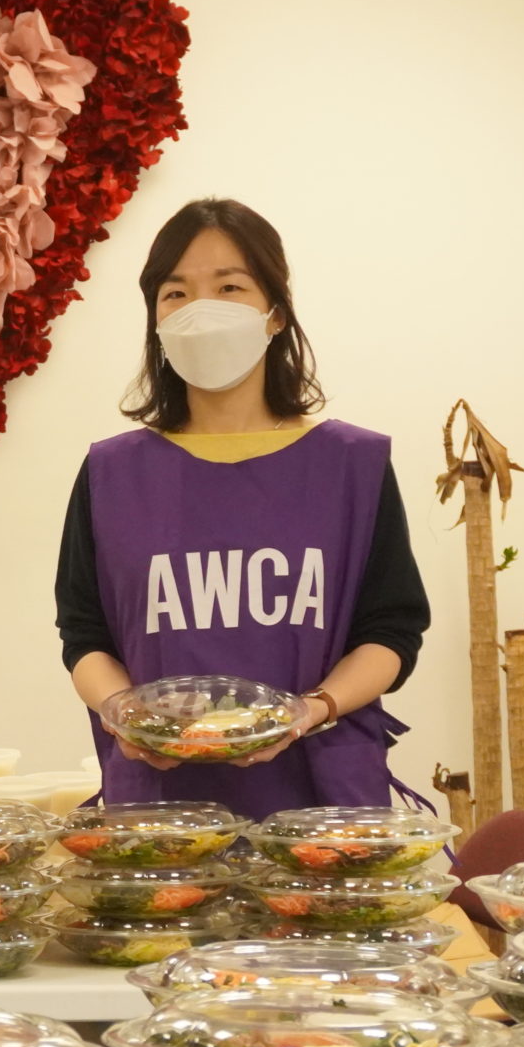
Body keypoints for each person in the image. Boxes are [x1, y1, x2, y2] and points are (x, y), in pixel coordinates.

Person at [55, 197, 429, 818]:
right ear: (155, 319)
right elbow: (84, 634)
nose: (201, 311)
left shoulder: (352, 465)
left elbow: (391, 631)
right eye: (176, 293)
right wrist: (121, 710)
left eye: (229, 287)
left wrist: (313, 709)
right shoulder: (111, 472)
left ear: (275, 313)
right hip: (162, 809)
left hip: (322, 806)